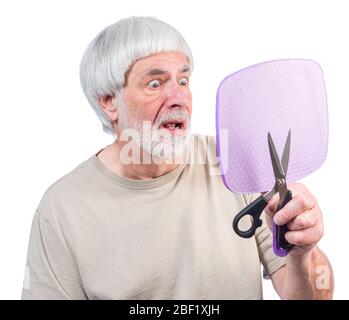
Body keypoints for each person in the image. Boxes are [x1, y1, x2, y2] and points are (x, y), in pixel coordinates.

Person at [21, 16, 333, 300]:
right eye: (155, 83)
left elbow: (316, 296)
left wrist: (302, 254)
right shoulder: (62, 208)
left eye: (183, 80)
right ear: (108, 102)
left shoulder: (237, 162)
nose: (179, 98)